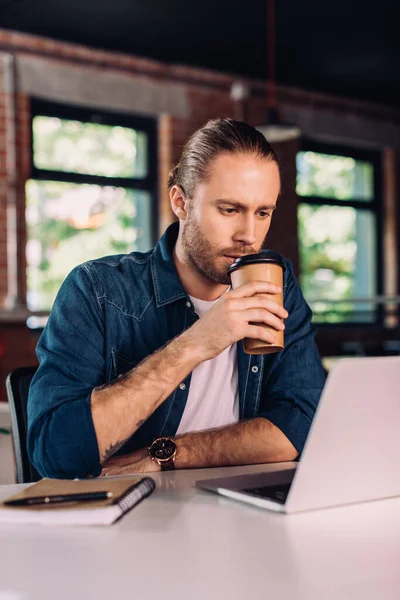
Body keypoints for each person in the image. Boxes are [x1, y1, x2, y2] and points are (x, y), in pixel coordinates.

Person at [27, 118, 325, 479]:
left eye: (262, 213)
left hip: (235, 509)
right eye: (230, 210)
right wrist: (196, 343)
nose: (249, 235)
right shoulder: (97, 289)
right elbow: (56, 454)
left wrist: (167, 455)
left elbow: (301, 424)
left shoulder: (277, 283)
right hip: (128, 514)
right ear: (181, 202)